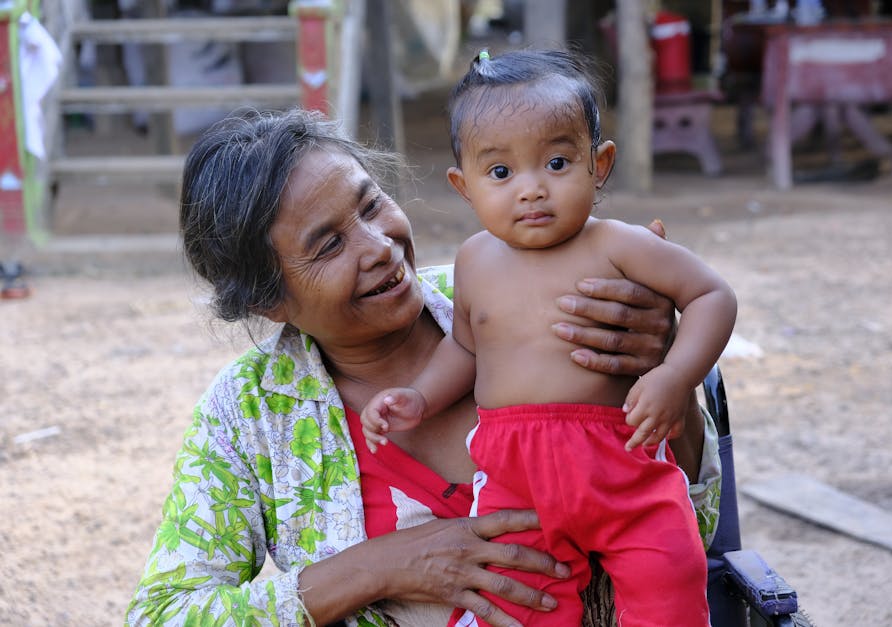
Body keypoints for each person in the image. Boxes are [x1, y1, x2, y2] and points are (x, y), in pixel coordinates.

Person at [125, 107, 722, 627]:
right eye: (329, 244)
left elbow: (695, 528)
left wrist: (664, 368)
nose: (380, 246)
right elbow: (163, 616)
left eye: (371, 205)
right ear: (267, 300)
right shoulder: (250, 412)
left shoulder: (519, 303)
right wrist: (377, 568)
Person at [359, 49, 737, 627]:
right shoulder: (474, 261)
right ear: (464, 186)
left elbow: (712, 296)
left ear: (599, 163)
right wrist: (421, 396)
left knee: (670, 573)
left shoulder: (620, 244)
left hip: (622, 461)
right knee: (515, 601)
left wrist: (672, 374)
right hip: (516, 479)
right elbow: (464, 349)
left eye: (557, 162)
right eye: (502, 173)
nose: (532, 189)